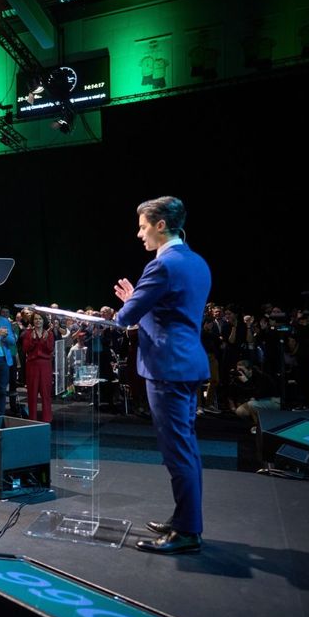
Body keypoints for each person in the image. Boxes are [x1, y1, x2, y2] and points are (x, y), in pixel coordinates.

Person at [113, 195, 210, 555]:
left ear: (160, 225)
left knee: (177, 451)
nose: (139, 235)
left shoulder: (162, 265)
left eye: (142, 227)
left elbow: (128, 317)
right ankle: (186, 520)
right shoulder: (196, 261)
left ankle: (186, 532)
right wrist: (136, 300)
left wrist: (129, 305)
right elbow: (167, 309)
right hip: (187, 364)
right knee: (187, 448)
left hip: (167, 368)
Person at [21, 312, 55, 423]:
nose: (38, 321)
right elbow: (25, 349)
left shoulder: (49, 334)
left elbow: (50, 349)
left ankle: (47, 419)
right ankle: (32, 419)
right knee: (32, 393)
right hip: (32, 366)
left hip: (45, 365)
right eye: (35, 319)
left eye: (40, 319)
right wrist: (33, 340)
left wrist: (44, 340)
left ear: (43, 320)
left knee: (46, 393)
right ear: (32, 321)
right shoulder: (28, 333)